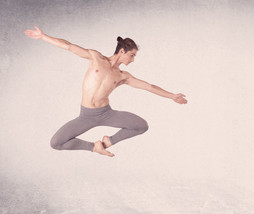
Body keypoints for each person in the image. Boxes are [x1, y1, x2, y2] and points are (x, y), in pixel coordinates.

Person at [24, 26, 187, 157]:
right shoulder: (96, 58)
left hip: (106, 113)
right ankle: (94, 147)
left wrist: (172, 96)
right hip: (85, 116)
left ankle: (108, 142)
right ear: (122, 51)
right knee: (56, 143)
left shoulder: (123, 76)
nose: (133, 60)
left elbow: (149, 86)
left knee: (141, 126)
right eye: (131, 55)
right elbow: (68, 46)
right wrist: (43, 37)